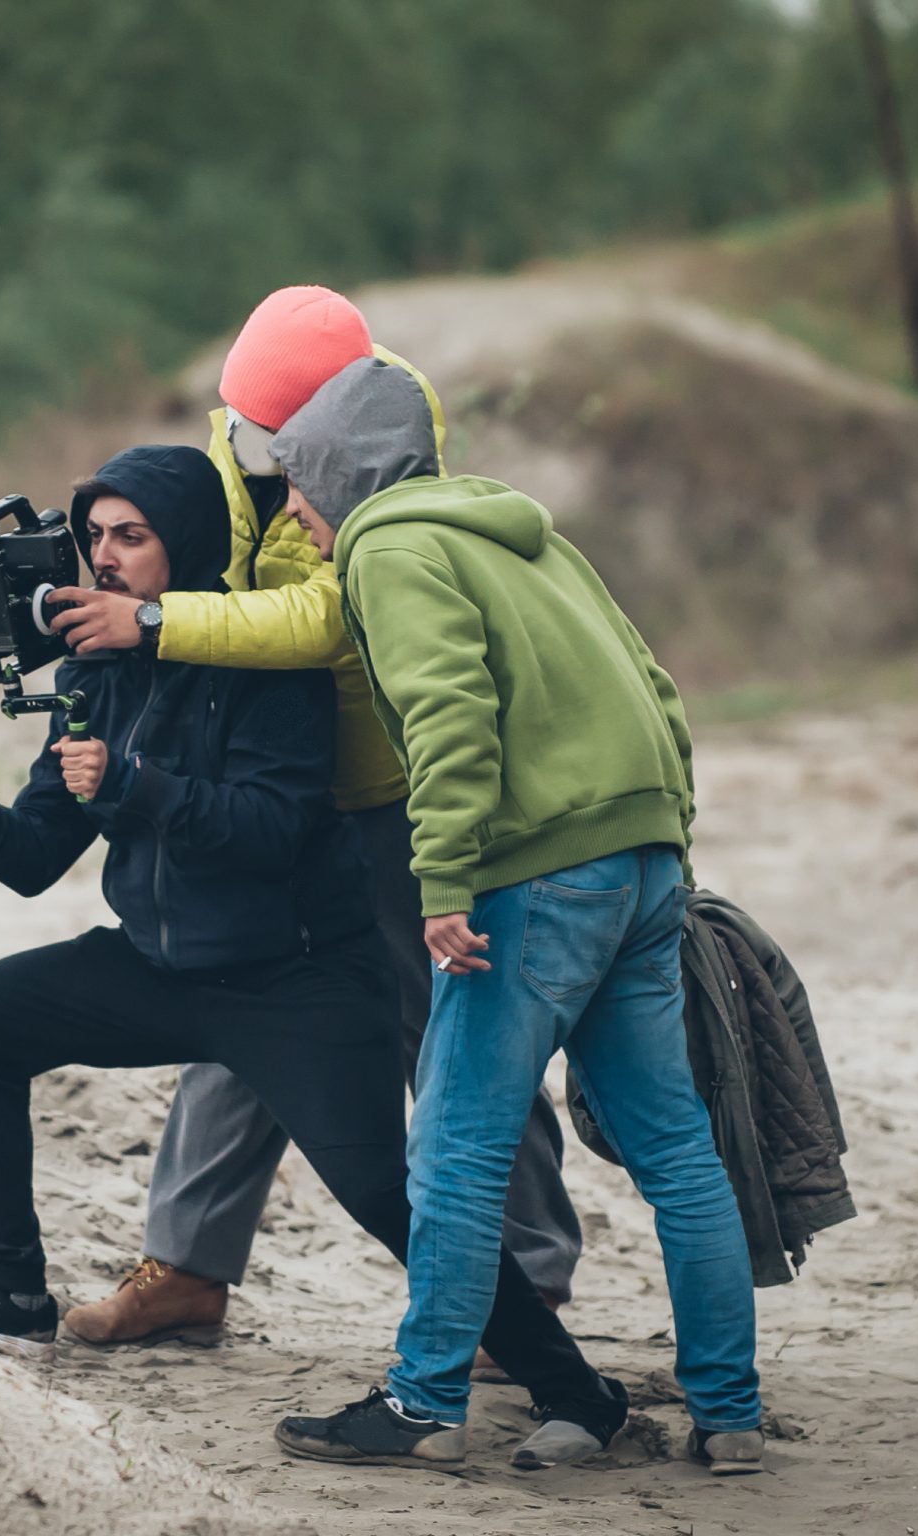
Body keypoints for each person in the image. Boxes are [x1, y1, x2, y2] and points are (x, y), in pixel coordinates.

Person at [0, 444, 626, 1469]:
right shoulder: (97, 673)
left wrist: (131, 784)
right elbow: (33, 858)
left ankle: (578, 1396)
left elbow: (271, 829)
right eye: (93, 536)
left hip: (295, 983)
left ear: (181, 542)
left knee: (388, 1199)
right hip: (156, 971)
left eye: (129, 536)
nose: (105, 557)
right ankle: (6, 1289)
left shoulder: (268, 662)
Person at [40, 287, 581, 1350]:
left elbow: (329, 617)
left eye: (278, 442)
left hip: (392, 795)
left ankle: (528, 1289)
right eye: (244, 427)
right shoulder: (241, 421)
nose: (258, 456)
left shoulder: (378, 446)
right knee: (239, 1004)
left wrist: (151, 622)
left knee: (458, 1035)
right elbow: (218, 557)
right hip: (275, 787)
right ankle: (187, 1265)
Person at [261, 354, 764, 1474]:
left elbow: (448, 720)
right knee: (676, 1147)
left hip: (533, 879)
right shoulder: (523, 533)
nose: (291, 508)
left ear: (344, 471)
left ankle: (424, 1405)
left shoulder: (390, 549)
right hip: (638, 863)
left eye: (299, 479)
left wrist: (441, 886)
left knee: (451, 1149)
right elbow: (654, 683)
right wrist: (666, 835)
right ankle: (728, 1416)